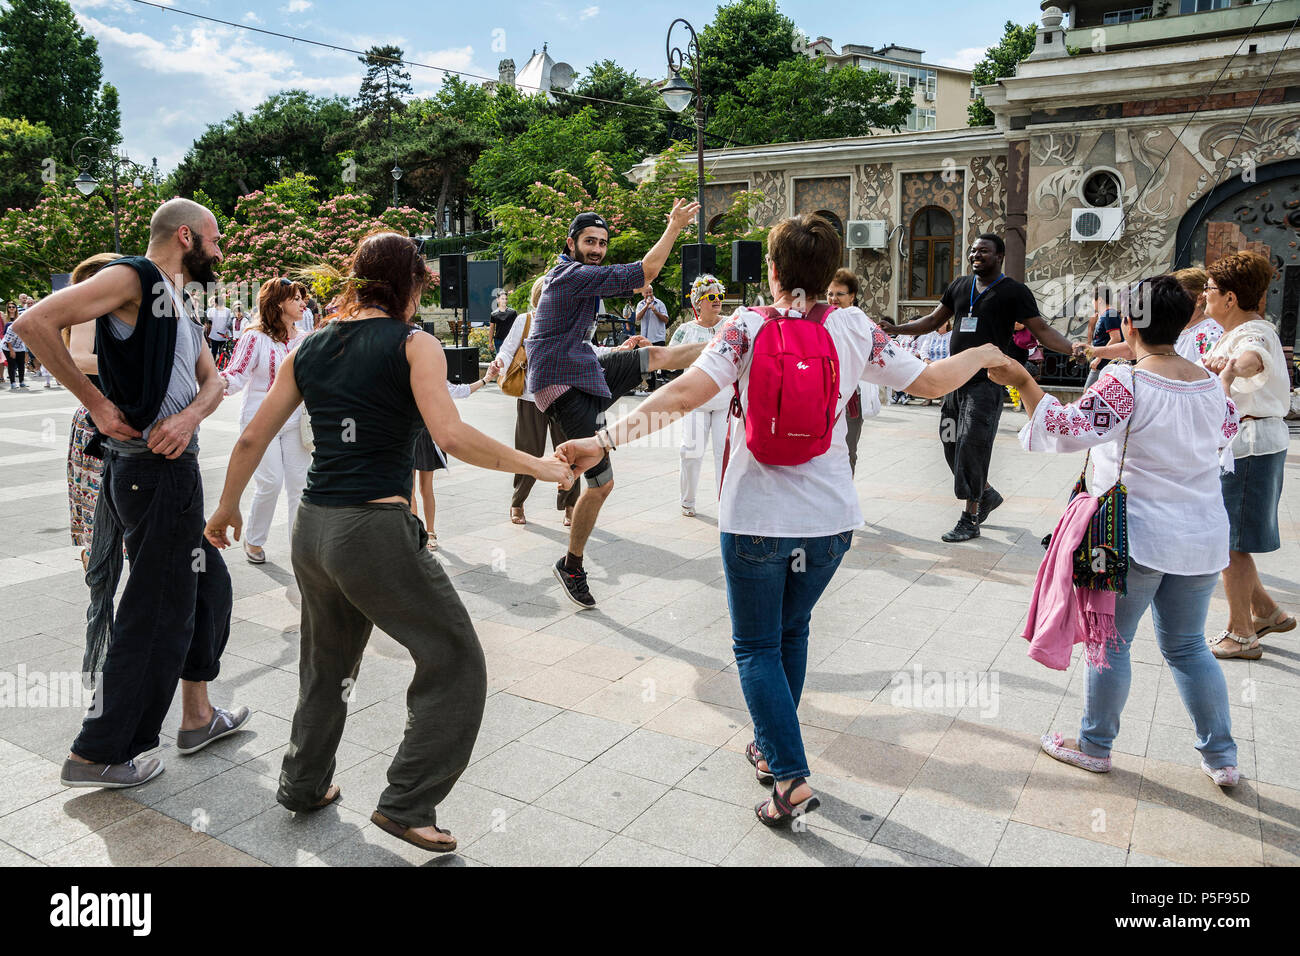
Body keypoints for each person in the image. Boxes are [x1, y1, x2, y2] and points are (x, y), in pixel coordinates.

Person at [558, 213, 1010, 825]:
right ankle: (772, 753)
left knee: (755, 646)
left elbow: (686, 393)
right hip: (830, 523)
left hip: (755, 519)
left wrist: (606, 439)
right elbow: (930, 382)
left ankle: (790, 776)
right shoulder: (854, 326)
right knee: (791, 633)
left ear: (772, 271)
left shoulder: (745, 327)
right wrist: (983, 353)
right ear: (829, 275)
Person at [204, 229, 573, 852]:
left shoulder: (310, 346)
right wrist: (540, 467)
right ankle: (407, 802)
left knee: (325, 667)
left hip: (312, 527)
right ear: (410, 286)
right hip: (372, 529)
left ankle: (302, 783)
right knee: (454, 659)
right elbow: (450, 437)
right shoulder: (413, 344)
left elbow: (251, 438)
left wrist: (226, 508)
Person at [14, 197, 249, 788]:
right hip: (150, 471)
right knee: (156, 609)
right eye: (217, 240)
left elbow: (214, 380)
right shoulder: (131, 275)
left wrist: (191, 416)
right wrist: (95, 405)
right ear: (189, 237)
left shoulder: (176, 298)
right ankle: (101, 751)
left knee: (207, 587)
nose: (222, 252)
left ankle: (196, 717)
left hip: (172, 465)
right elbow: (32, 324)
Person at [992, 275, 1243, 787]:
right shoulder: (1208, 386)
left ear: (1128, 323)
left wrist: (1022, 382)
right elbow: (1226, 436)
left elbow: (1064, 430)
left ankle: (1095, 745)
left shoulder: (1124, 382)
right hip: (1201, 536)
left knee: (1112, 643)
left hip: (1134, 538)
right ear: (1183, 321)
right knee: (1189, 646)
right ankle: (1222, 759)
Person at [527, 202, 708, 610]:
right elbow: (645, 272)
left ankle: (729, 343)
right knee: (602, 484)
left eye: (603, 243)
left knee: (654, 355)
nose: (597, 249)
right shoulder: (571, 275)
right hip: (564, 387)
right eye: (590, 241)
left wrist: (604, 350)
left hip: (583, 366)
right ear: (571, 243)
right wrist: (675, 226)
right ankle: (571, 563)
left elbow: (562, 337)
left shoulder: (575, 281)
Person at [879, 234, 1084, 542]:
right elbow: (934, 319)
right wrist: (896, 329)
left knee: (972, 444)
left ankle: (970, 516)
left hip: (988, 381)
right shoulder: (960, 286)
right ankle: (985, 493)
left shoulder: (1014, 292)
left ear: (999, 256)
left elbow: (1040, 329)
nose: (976, 255)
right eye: (973, 251)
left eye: (983, 252)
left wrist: (1074, 349)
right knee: (951, 444)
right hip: (953, 379)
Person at [1200, 251, 1293, 660]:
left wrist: (1233, 368)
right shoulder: (1236, 330)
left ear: (1231, 298)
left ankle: (1241, 636)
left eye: (1210, 290)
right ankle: (1266, 612)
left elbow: (1255, 359)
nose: (1205, 296)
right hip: (1243, 445)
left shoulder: (1253, 333)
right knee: (1231, 538)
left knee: (1231, 544)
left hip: (1249, 446)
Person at [220, 277, 310, 566]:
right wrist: (211, 388)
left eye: (301, 298)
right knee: (270, 482)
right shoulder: (254, 336)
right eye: (295, 298)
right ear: (279, 303)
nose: (302, 302)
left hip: (296, 420)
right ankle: (255, 540)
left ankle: (301, 548)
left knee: (300, 484)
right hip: (261, 420)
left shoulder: (306, 338)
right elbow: (236, 374)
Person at [489, 278, 582, 527]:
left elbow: (585, 350)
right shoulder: (525, 321)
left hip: (564, 396)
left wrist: (616, 352)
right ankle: (518, 502)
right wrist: (500, 362)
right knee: (528, 452)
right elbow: (508, 350)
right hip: (531, 397)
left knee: (570, 451)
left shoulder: (568, 322)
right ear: (538, 297)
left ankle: (570, 504)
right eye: (548, 295)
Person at [63, 253, 122, 571]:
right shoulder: (88, 312)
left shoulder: (129, 315)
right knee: (98, 524)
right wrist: (133, 367)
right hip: (95, 422)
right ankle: (97, 582)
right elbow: (79, 358)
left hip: (129, 422)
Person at [411, 367, 500, 550]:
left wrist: (486, 379)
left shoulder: (431, 376)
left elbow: (460, 391)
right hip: (408, 435)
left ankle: (429, 531)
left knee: (424, 488)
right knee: (410, 489)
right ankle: (416, 533)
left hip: (426, 435)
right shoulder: (404, 373)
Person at [670, 274, 731, 515]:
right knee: (691, 452)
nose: (717, 300)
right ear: (698, 302)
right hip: (695, 401)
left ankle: (726, 504)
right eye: (711, 296)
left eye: (719, 296)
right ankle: (688, 501)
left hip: (725, 401)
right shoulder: (685, 330)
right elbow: (670, 359)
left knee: (724, 454)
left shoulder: (731, 324)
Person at [826, 269, 873, 473]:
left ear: (852, 296)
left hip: (851, 397)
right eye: (830, 294)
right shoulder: (822, 320)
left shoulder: (860, 322)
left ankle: (844, 493)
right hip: (824, 397)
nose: (833, 299)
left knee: (848, 450)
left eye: (839, 294)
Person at [1083, 284, 1123, 391]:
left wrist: (1098, 358)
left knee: (1088, 393)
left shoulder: (1110, 314)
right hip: (1103, 362)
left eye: (1093, 299)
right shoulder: (1105, 314)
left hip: (1104, 364)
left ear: (1099, 300)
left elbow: (1116, 338)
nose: (1092, 303)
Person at [634, 284, 670, 391]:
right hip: (645, 338)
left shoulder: (660, 304)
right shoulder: (640, 304)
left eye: (650, 292)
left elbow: (666, 320)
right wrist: (646, 306)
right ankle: (651, 385)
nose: (649, 294)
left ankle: (662, 385)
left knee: (660, 361)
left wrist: (655, 311)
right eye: (646, 292)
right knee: (647, 362)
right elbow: (637, 318)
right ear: (642, 294)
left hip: (658, 337)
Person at [3, 301, 29, 389]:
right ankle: (13, 383)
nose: (11, 309)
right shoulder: (11, 327)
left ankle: (22, 381)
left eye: (13, 307)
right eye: (9, 307)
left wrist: (25, 350)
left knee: (21, 364)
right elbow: (7, 340)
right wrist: (11, 351)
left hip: (19, 345)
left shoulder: (24, 326)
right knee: (12, 364)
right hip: (7, 346)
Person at [205, 291, 233, 361]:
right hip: (221, 335)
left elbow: (209, 320)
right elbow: (229, 323)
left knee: (215, 353)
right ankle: (219, 367)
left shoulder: (212, 310)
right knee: (221, 353)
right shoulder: (228, 311)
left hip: (219, 335)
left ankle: (215, 367)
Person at [489, 290, 517, 355]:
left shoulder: (513, 312)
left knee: (510, 358)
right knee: (499, 359)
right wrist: (490, 342)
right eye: (502, 299)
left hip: (510, 340)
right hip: (498, 341)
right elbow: (491, 329)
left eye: (506, 299)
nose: (504, 300)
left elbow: (516, 327)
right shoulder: (493, 314)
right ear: (498, 300)